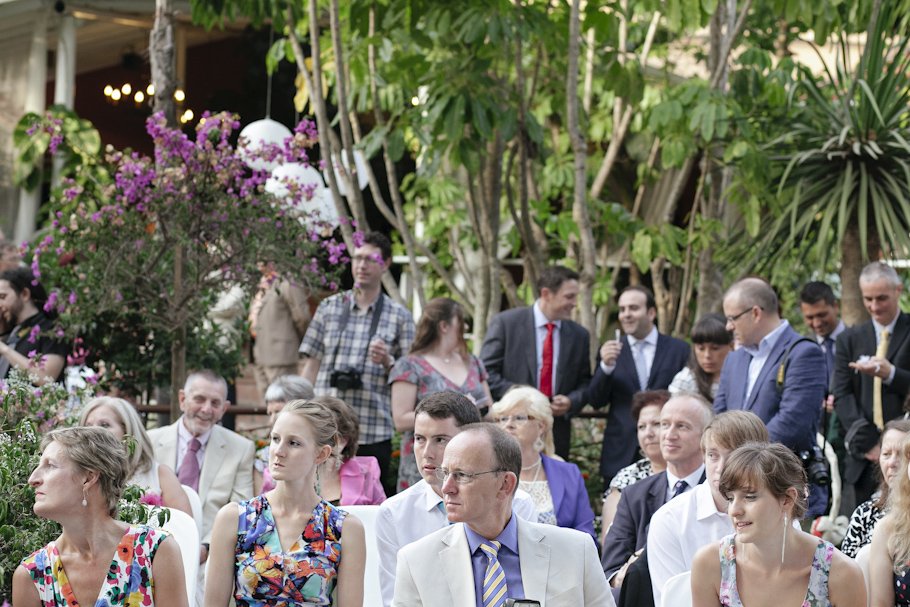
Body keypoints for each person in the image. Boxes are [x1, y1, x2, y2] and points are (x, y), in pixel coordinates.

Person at [392, 423, 612, 606]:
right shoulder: (417, 562)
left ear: (505, 484)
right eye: (446, 473)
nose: (446, 487)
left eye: (462, 475)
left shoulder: (575, 550)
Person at [376, 391, 538, 607]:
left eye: (440, 440)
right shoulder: (394, 513)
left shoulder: (517, 502)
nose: (427, 452)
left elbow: (533, 583)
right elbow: (395, 599)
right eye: (419, 439)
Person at [205, 400, 366, 606]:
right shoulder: (235, 518)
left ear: (321, 454)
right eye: (275, 439)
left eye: (294, 443)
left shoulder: (345, 528)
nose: (278, 451)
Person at [12, 427, 188, 607]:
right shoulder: (33, 575)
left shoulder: (155, 551)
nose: (32, 479)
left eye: (50, 465)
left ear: (89, 478)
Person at [300, 231, 416, 488]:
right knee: (316, 497)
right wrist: (298, 411)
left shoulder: (400, 316)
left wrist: (387, 361)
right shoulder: (329, 307)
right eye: (358, 258)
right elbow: (311, 364)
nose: (362, 265)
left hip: (372, 429)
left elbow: (409, 375)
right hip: (324, 427)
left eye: (371, 259)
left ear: (385, 264)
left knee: (367, 503)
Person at [691, 442, 865, 607]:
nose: (734, 510)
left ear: (787, 499)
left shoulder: (841, 574)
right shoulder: (711, 564)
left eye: (750, 497)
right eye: (730, 498)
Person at [714, 277, 829, 518]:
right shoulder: (734, 358)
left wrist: (738, 461)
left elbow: (792, 423)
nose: (728, 327)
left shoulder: (804, 353)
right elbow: (720, 419)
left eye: (732, 318)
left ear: (755, 313)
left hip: (782, 491)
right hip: (735, 493)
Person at [647, 411, 769, 605]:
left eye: (733, 456)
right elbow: (675, 601)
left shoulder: (777, 513)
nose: (721, 467)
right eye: (713, 455)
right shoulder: (670, 519)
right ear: (703, 457)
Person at [602, 393, 711, 590]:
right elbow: (611, 570)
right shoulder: (634, 495)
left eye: (682, 426)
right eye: (664, 424)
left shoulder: (720, 491)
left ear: (705, 436)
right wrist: (627, 573)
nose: (669, 434)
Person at [480, 265, 592, 458]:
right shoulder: (506, 323)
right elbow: (486, 373)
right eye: (569, 297)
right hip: (511, 430)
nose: (574, 303)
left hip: (556, 433)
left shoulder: (579, 335)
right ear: (546, 294)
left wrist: (571, 401)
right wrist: (524, 399)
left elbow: (585, 382)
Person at [147, 370, 256, 562]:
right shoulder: (149, 443)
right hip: (150, 551)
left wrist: (206, 548)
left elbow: (240, 510)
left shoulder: (241, 449)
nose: (206, 409)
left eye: (215, 403)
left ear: (224, 408)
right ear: (182, 400)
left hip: (209, 558)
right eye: (199, 399)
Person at [587, 285, 690, 482]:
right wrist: (605, 367)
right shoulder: (610, 351)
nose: (626, 314)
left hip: (668, 450)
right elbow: (596, 400)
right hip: (620, 452)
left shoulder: (679, 350)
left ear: (651, 313)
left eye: (633, 308)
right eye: (622, 309)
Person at [390, 297, 492, 491]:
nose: (465, 327)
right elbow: (400, 419)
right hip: (427, 464)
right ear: (444, 326)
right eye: (460, 321)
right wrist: (451, 413)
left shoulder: (473, 362)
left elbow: (490, 408)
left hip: (472, 462)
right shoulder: (409, 365)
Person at [833, 261, 910, 515]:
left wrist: (892, 375)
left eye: (881, 298)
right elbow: (841, 394)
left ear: (898, 290)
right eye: (868, 299)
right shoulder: (849, 339)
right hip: (862, 458)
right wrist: (869, 444)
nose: (875, 306)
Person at [491, 385, 596, 541]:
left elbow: (586, 533)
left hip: (560, 554)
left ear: (541, 426)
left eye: (519, 418)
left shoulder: (568, 473)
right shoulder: (488, 472)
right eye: (503, 418)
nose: (509, 424)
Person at [79, 396, 192, 516]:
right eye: (88, 426)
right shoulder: (78, 476)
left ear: (127, 431)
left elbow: (185, 525)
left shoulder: (160, 475)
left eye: (104, 425)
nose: (93, 431)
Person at [601, 390, 670, 539]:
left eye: (657, 424)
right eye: (642, 427)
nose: (648, 433)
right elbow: (610, 541)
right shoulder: (626, 478)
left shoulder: (694, 473)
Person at [841, 418, 910, 557]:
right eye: (886, 454)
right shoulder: (865, 514)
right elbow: (845, 568)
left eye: (902, 454)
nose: (891, 463)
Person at [249, 263, 312, 400]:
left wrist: (303, 345)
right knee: (267, 405)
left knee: (284, 402)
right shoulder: (263, 283)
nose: (259, 263)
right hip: (260, 354)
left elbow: (302, 317)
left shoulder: (288, 281)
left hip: (281, 355)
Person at [313, 394, 386, 505]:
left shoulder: (366, 472)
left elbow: (380, 512)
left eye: (324, 436)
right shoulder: (293, 472)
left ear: (343, 441)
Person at [0, 267, 67, 385]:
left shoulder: (51, 329)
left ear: (25, 294)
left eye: (3, 297)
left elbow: (47, 378)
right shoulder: (12, 334)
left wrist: (5, 350)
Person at [254, 374, 315, 494]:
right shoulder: (264, 457)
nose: (272, 420)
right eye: (270, 413)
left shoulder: (322, 453)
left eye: (278, 412)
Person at [669, 314, 734, 401]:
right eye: (701, 348)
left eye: (715, 348)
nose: (707, 355)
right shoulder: (686, 380)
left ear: (731, 346)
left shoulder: (743, 376)